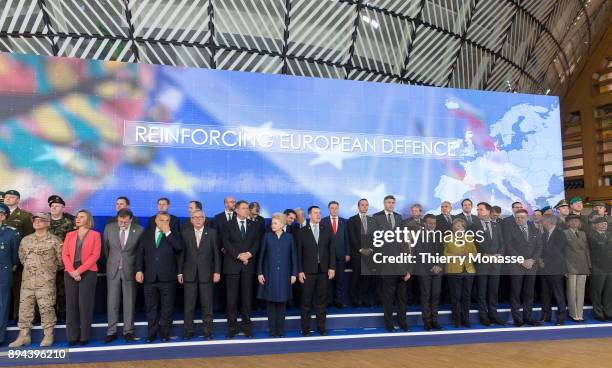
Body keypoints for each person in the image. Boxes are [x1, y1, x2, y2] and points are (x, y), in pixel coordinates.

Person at [9, 213, 62, 348]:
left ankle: (48, 334)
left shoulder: (55, 240)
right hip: (27, 281)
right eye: (35, 220)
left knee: (46, 308)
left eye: (41, 220)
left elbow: (61, 262)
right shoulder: (25, 240)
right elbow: (22, 258)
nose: (37, 222)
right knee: (24, 309)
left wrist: (48, 270)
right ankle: (24, 336)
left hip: (46, 282)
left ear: (48, 223)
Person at [136, 213, 184, 342]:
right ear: (156, 221)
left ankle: (165, 334)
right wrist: (139, 270)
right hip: (150, 277)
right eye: (162, 220)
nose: (164, 222)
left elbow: (179, 248)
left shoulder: (173, 234)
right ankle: (151, 334)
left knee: (167, 308)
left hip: (168, 277)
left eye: (167, 220)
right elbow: (140, 254)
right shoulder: (146, 235)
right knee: (151, 308)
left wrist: (168, 233)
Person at [178, 209, 220, 340]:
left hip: (206, 274)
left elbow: (217, 255)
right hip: (189, 274)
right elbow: (181, 255)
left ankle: (208, 331)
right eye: (194, 217)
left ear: (204, 219)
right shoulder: (185, 233)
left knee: (207, 305)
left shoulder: (212, 233)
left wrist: (217, 271)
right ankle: (188, 331)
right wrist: (179, 272)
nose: (197, 219)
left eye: (200, 217)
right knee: (189, 306)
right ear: (191, 220)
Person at [222, 200, 262, 338]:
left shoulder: (254, 225)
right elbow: (226, 243)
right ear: (237, 210)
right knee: (231, 300)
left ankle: (247, 329)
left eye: (247, 208)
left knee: (247, 299)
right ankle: (231, 329)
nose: (246, 210)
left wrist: (249, 254)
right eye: (244, 208)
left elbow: (257, 243)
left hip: (248, 267)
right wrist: (239, 256)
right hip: (232, 266)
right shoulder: (228, 225)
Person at [103, 208, 144, 343]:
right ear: (117, 219)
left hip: (130, 270)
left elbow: (140, 253)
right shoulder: (109, 228)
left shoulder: (139, 230)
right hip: (113, 269)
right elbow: (106, 249)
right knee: (112, 302)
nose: (123, 224)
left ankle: (128, 331)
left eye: (125, 222)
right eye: (120, 221)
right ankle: (111, 331)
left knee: (129, 302)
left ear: (131, 219)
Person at [62, 209, 101, 346]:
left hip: (88, 271)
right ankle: (72, 336)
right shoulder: (69, 235)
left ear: (88, 220)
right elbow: (65, 255)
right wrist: (73, 271)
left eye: (82, 217)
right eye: (77, 217)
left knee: (85, 304)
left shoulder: (95, 235)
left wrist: (79, 271)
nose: (78, 219)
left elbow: (95, 255)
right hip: (70, 271)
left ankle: (85, 336)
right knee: (71, 305)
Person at [373, 195, 410, 332]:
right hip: (386, 264)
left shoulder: (399, 217)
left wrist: (406, 268)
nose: (391, 204)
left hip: (400, 264)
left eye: (393, 203)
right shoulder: (376, 217)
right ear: (384, 203)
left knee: (402, 298)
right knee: (388, 297)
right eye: (388, 202)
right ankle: (389, 324)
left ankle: (402, 322)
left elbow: (403, 242)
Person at [257, 213, 298, 337]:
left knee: (282, 303)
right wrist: (259, 273)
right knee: (270, 303)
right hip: (269, 274)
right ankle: (272, 330)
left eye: (275, 223)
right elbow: (261, 256)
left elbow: (294, 256)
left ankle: (280, 330)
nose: (272, 225)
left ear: (282, 224)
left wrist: (294, 274)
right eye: (272, 223)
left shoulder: (289, 237)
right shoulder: (267, 236)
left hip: (285, 274)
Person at [297, 205, 335, 336]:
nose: (318, 215)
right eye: (315, 213)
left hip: (324, 271)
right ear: (309, 215)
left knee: (321, 302)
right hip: (307, 272)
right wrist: (300, 271)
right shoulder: (302, 232)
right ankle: (306, 329)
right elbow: (298, 254)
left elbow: (332, 250)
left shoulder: (326, 229)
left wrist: (332, 267)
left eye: (319, 213)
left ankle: (321, 328)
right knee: (306, 302)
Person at [503, 209, 542, 326]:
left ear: (527, 218)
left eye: (522, 217)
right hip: (516, 265)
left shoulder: (535, 229)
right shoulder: (510, 230)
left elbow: (539, 247)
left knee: (529, 293)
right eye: (517, 217)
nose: (519, 219)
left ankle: (528, 317)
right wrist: (522, 261)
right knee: (516, 292)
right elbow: (509, 248)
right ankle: (517, 319)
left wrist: (533, 260)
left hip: (531, 265)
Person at [470, 202, 505, 326]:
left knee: (493, 291)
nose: (478, 211)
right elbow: (473, 245)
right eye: (478, 209)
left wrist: (499, 254)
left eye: (481, 209)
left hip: (495, 264)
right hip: (482, 263)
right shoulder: (473, 226)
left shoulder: (496, 225)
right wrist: (487, 256)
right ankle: (483, 316)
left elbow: (502, 243)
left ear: (488, 212)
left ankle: (494, 315)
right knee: (482, 291)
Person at [3, 190, 33, 323]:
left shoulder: (25, 216)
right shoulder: (1, 213)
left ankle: (16, 315)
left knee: (17, 288)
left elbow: (29, 238)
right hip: (2, 258)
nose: (8, 199)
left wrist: (22, 260)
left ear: (18, 200)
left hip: (17, 259)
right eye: (6, 197)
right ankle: (5, 315)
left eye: (12, 197)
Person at [444, 218, 477, 328]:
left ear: (464, 228)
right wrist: (457, 256)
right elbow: (445, 255)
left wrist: (470, 256)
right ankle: (457, 319)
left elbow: (475, 253)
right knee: (456, 296)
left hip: (468, 270)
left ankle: (466, 319)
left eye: (460, 226)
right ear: (453, 228)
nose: (458, 228)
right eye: (456, 226)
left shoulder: (469, 238)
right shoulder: (447, 238)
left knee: (466, 297)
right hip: (454, 271)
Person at [47, 195, 74, 323]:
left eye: (57, 206)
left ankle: (62, 312)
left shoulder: (68, 223)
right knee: (46, 288)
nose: (54, 208)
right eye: (52, 206)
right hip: (45, 261)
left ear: (63, 208)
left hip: (63, 261)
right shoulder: (44, 221)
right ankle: (47, 314)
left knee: (62, 288)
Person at [415, 214, 443, 330]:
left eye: (434, 223)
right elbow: (420, 253)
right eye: (430, 223)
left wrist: (439, 265)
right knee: (426, 296)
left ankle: (434, 320)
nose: (432, 225)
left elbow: (442, 252)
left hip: (438, 271)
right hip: (425, 270)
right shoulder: (419, 235)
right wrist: (432, 266)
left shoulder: (439, 235)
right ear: (424, 223)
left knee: (435, 295)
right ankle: (426, 321)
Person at [347, 198, 377, 307]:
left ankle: (365, 298)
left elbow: (375, 237)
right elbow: (352, 237)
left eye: (366, 205)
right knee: (356, 278)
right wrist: (361, 250)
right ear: (358, 206)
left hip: (369, 254)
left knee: (367, 278)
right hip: (357, 254)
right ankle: (354, 299)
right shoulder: (352, 220)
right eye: (363, 205)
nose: (365, 207)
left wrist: (371, 249)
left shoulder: (372, 220)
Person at [539, 215, 568, 325]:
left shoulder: (560, 234)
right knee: (545, 294)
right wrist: (540, 259)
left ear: (548, 222)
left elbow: (556, 251)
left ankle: (561, 318)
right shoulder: (544, 234)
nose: (541, 223)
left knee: (558, 294)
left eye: (543, 221)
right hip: (544, 269)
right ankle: (546, 316)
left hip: (556, 268)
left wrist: (544, 260)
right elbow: (541, 249)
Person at [321, 201, 349, 308]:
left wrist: (347, 253)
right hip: (327, 257)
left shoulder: (344, 222)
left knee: (340, 280)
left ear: (338, 209)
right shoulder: (323, 221)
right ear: (329, 209)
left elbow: (347, 238)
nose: (334, 210)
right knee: (328, 281)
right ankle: (328, 301)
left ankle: (339, 301)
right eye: (332, 208)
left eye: (336, 208)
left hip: (341, 255)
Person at [564, 214, 590, 322]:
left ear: (580, 223)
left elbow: (587, 251)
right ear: (568, 223)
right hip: (570, 265)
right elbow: (562, 252)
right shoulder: (564, 233)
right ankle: (573, 313)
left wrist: (589, 266)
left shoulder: (583, 234)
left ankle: (580, 313)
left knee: (581, 291)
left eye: (577, 221)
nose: (575, 223)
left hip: (583, 265)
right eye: (572, 221)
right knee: (571, 291)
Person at [0, 203, 19, 346]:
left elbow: (14, 258)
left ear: (4, 216)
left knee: (2, 303)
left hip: (3, 271)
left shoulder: (12, 233)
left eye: (1, 214)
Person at [587, 217, 612, 321]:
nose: (604, 225)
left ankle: (608, 312)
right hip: (598, 267)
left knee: (609, 292)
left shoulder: (610, 234)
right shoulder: (591, 236)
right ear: (595, 225)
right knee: (597, 292)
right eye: (601, 223)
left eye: (605, 224)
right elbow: (588, 252)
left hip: (610, 267)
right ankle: (598, 313)